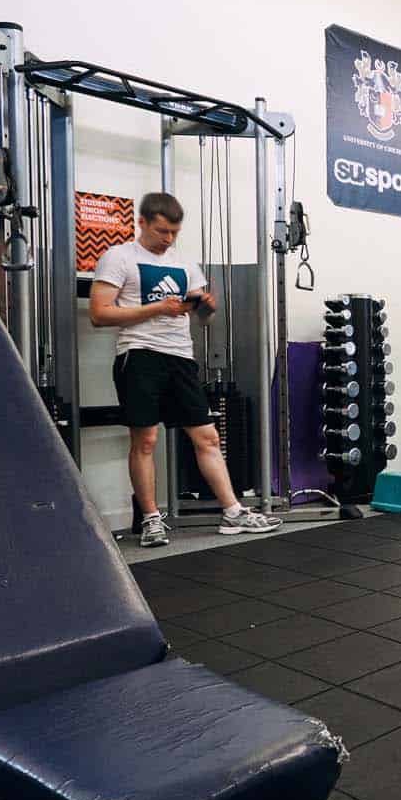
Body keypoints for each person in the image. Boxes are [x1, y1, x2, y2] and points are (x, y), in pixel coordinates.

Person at [90, 192, 280, 548]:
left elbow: (203, 318)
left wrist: (205, 306)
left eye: (174, 232)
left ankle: (233, 512)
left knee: (207, 437)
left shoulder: (185, 264)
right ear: (142, 223)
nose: (168, 239)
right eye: (161, 231)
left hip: (181, 357)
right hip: (140, 354)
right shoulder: (119, 257)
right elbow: (99, 314)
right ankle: (150, 519)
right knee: (145, 440)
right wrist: (156, 309)